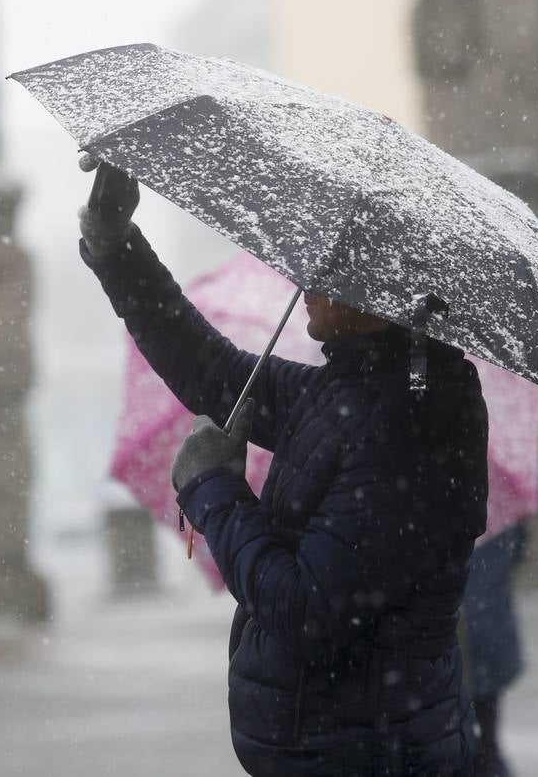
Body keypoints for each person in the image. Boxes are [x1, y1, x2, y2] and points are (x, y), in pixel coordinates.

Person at [79, 162, 488, 776]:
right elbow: (212, 371)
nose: (306, 273)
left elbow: (308, 610)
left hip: (367, 759)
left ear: (380, 286)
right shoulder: (353, 386)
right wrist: (116, 246)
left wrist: (212, 487)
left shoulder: (412, 421)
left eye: (329, 261)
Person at [460, 523, 528, 777]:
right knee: (487, 738)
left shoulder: (443, 513)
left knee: (465, 741)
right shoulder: (506, 513)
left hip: (459, 642)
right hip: (492, 639)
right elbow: (519, 553)